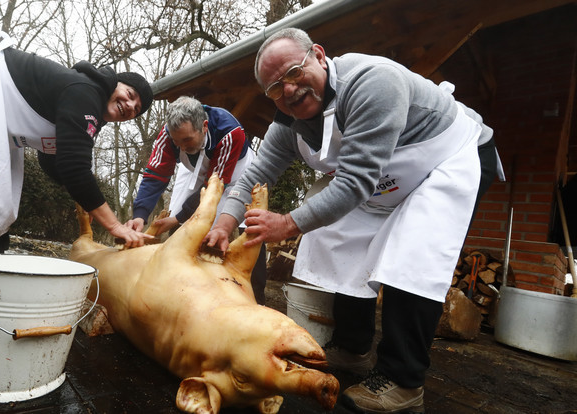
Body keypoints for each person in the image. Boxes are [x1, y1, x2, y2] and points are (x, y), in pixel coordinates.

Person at [204, 28, 503, 413]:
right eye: (276, 88)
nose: (290, 90)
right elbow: (249, 178)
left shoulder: (373, 82)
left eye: (294, 72)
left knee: (412, 256)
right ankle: (353, 347)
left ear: (319, 55)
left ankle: (402, 381)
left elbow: (355, 181)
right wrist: (223, 224)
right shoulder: (287, 126)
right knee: (336, 237)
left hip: (447, 158)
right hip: (386, 180)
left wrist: (286, 224)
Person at [0, 30, 154, 323]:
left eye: (136, 109)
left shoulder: (89, 111)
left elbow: (55, 162)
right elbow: (74, 167)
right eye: (130, 95)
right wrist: (114, 225)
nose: (130, 106)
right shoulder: (85, 91)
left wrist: (83, 199)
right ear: (115, 83)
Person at [125, 96, 268, 304]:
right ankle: (177, 286)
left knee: (249, 227)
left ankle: (257, 297)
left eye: (187, 140)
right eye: (176, 142)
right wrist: (140, 215)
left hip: (236, 175)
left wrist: (177, 218)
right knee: (181, 223)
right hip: (195, 171)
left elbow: (213, 188)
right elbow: (155, 174)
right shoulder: (167, 134)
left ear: (204, 126)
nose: (181, 147)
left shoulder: (230, 132)